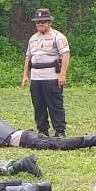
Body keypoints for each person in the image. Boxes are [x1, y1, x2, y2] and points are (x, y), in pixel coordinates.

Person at [22, 8, 70, 137]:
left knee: (55, 104)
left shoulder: (57, 37)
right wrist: (25, 75)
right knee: (39, 105)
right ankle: (42, 130)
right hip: (36, 78)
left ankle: (60, 131)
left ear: (49, 22)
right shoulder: (33, 39)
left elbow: (65, 55)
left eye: (43, 21)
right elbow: (28, 57)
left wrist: (63, 74)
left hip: (52, 76)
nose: (40, 24)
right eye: (38, 22)